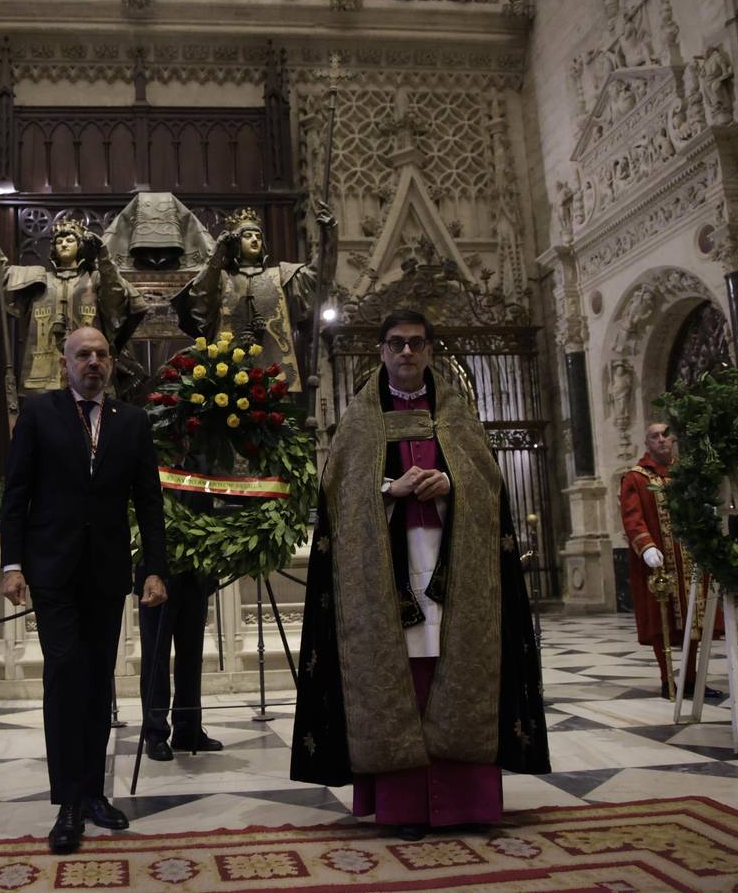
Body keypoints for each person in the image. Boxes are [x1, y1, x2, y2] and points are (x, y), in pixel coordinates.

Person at [290, 309, 550, 839]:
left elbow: (488, 485)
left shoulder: (457, 415)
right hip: (385, 567)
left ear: (430, 350)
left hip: (456, 562)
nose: (406, 353)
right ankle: (404, 806)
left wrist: (452, 485)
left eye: (416, 343)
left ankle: (464, 803)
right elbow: (339, 492)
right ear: (381, 352)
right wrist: (390, 489)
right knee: (402, 677)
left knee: (456, 669)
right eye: (396, 344)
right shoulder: (360, 420)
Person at [0, 326, 169, 854]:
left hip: (105, 571)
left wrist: (153, 571)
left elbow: (149, 502)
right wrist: (12, 565)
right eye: (82, 355)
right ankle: (68, 802)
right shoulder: (39, 413)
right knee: (66, 673)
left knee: (99, 681)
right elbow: (17, 493)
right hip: (52, 570)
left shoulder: (133, 421)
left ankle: (95, 793)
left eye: (100, 354)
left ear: (111, 363)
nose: (92, 362)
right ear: (65, 362)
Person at [171, 204, 335, 391]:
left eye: (258, 236)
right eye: (247, 236)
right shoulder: (220, 278)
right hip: (225, 385)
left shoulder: (282, 275)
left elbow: (318, 275)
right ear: (235, 243)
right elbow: (200, 297)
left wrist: (329, 236)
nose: (255, 240)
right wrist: (217, 256)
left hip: (275, 379)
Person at [618, 423, 722, 699]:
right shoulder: (636, 478)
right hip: (659, 562)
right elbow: (632, 517)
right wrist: (646, 546)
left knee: (694, 620)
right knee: (660, 621)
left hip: (690, 561)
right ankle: (668, 679)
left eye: (666, 435)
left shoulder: (685, 475)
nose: (662, 440)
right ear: (647, 443)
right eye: (655, 436)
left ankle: (690, 679)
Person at [0, 217, 147, 395]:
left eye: (70, 240)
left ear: (80, 246)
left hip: (90, 376)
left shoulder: (96, 279)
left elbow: (117, 297)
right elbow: (0, 274)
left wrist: (103, 254)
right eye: (59, 241)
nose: (64, 244)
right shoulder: (38, 279)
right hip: (43, 377)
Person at [135, 453, 222, 762]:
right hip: (157, 577)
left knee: (191, 657)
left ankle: (188, 728)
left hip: (194, 577)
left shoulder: (202, 463)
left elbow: (211, 514)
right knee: (156, 658)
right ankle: (156, 732)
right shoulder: (150, 459)